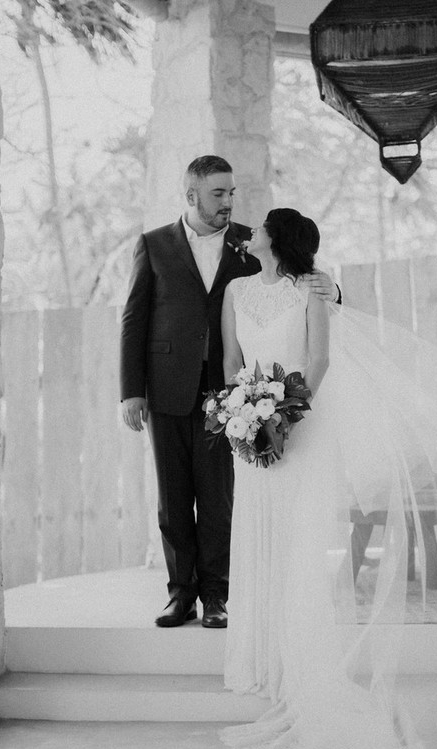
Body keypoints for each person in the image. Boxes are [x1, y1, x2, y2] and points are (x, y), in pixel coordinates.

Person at [218, 208, 437, 749]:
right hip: (247, 432)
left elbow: (319, 361)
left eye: (259, 226)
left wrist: (281, 416)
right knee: (259, 543)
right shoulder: (235, 290)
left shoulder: (314, 288)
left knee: (300, 546)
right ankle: (262, 663)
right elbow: (232, 360)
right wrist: (243, 412)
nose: (249, 231)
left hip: (297, 429)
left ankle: (303, 670)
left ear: (277, 240)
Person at [120, 156, 338, 629]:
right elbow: (134, 319)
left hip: (231, 395)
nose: (228, 202)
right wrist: (130, 391)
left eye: (232, 193)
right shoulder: (153, 245)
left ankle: (217, 595)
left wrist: (334, 290)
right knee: (173, 496)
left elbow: (298, 283)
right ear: (192, 195)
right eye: (218, 193)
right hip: (166, 388)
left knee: (218, 497)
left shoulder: (252, 241)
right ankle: (180, 594)